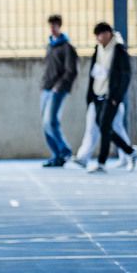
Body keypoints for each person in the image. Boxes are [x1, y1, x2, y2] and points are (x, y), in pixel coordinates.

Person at [86, 22, 137, 173]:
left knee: (104, 126)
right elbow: (93, 72)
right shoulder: (98, 49)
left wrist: (117, 96)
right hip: (98, 94)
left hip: (111, 96)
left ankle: (101, 163)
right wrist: (90, 95)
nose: (97, 38)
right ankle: (129, 151)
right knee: (104, 127)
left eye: (99, 35)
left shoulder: (119, 50)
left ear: (108, 34)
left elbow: (126, 75)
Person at [40, 14, 79, 167]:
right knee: (45, 123)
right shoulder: (50, 45)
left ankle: (64, 151)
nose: (52, 28)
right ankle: (57, 155)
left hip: (57, 89)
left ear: (59, 26)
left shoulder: (66, 47)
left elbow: (71, 71)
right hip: (46, 88)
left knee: (51, 121)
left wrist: (59, 86)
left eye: (54, 25)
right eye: (50, 25)